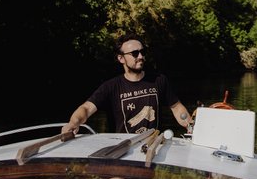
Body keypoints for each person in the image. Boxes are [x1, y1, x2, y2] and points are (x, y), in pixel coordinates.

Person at [63, 35, 193, 136]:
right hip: (124, 150)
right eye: (135, 53)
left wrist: (190, 126)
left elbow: (176, 107)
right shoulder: (111, 87)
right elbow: (86, 108)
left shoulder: (159, 80)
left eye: (142, 52)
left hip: (153, 146)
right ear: (121, 58)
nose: (141, 56)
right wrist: (74, 122)